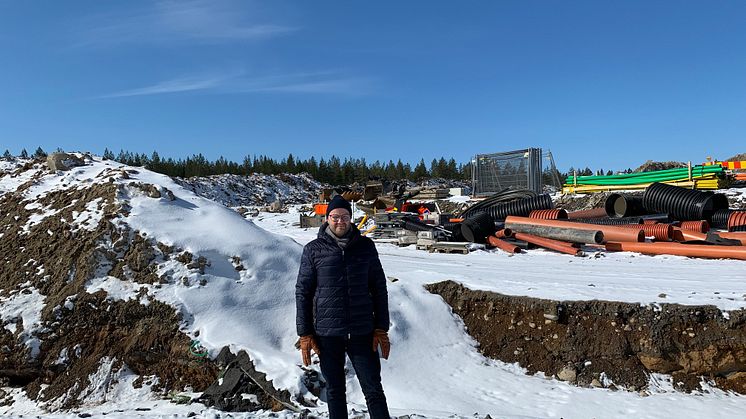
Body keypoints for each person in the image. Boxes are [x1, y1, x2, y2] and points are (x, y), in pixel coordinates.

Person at [296, 195, 391, 419]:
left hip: (362, 332)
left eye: (345, 216)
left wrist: (381, 327)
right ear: (327, 218)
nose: (340, 221)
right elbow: (303, 292)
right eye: (335, 217)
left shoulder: (366, 247)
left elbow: (379, 287)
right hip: (328, 334)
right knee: (336, 391)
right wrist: (305, 333)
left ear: (351, 219)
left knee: (373, 390)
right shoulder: (313, 250)